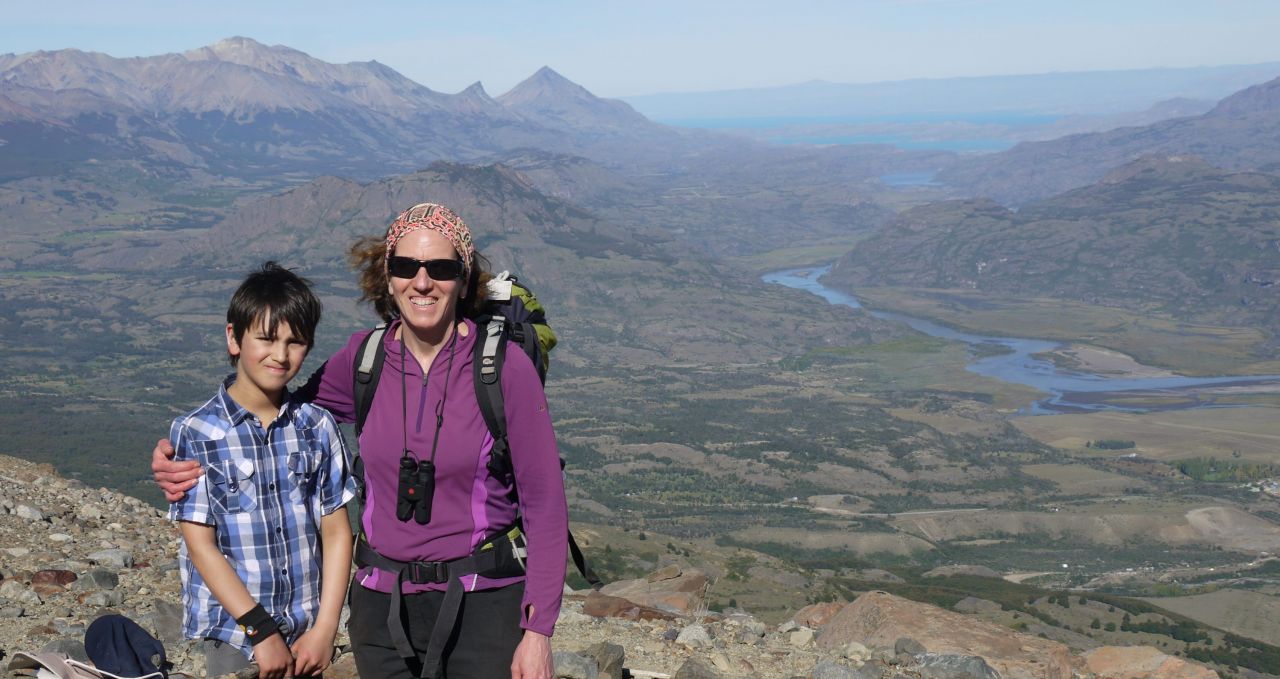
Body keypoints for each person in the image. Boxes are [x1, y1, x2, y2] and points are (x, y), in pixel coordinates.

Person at [154, 203, 567, 679]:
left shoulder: (503, 368)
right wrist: (176, 453)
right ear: (388, 276)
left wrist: (538, 633)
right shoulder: (363, 360)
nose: (422, 281)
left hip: (484, 602)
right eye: (406, 266)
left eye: (442, 268)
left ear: (465, 277)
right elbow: (277, 412)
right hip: (381, 609)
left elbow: (546, 504)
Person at [168, 262, 356, 679]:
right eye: (266, 339)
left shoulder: (316, 427)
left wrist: (326, 629)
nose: (280, 354)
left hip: (308, 632)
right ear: (234, 337)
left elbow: (337, 531)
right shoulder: (197, 432)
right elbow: (201, 546)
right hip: (237, 634)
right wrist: (259, 629)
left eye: (295, 342)